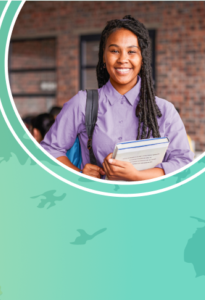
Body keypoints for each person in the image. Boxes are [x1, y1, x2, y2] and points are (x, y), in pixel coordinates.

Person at [40, 15, 194, 181]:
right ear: (104, 58)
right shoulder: (83, 104)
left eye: (132, 51)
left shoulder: (164, 111)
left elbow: (184, 163)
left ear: (142, 58)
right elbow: (49, 150)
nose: (122, 59)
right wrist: (78, 174)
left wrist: (137, 175)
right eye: (114, 51)